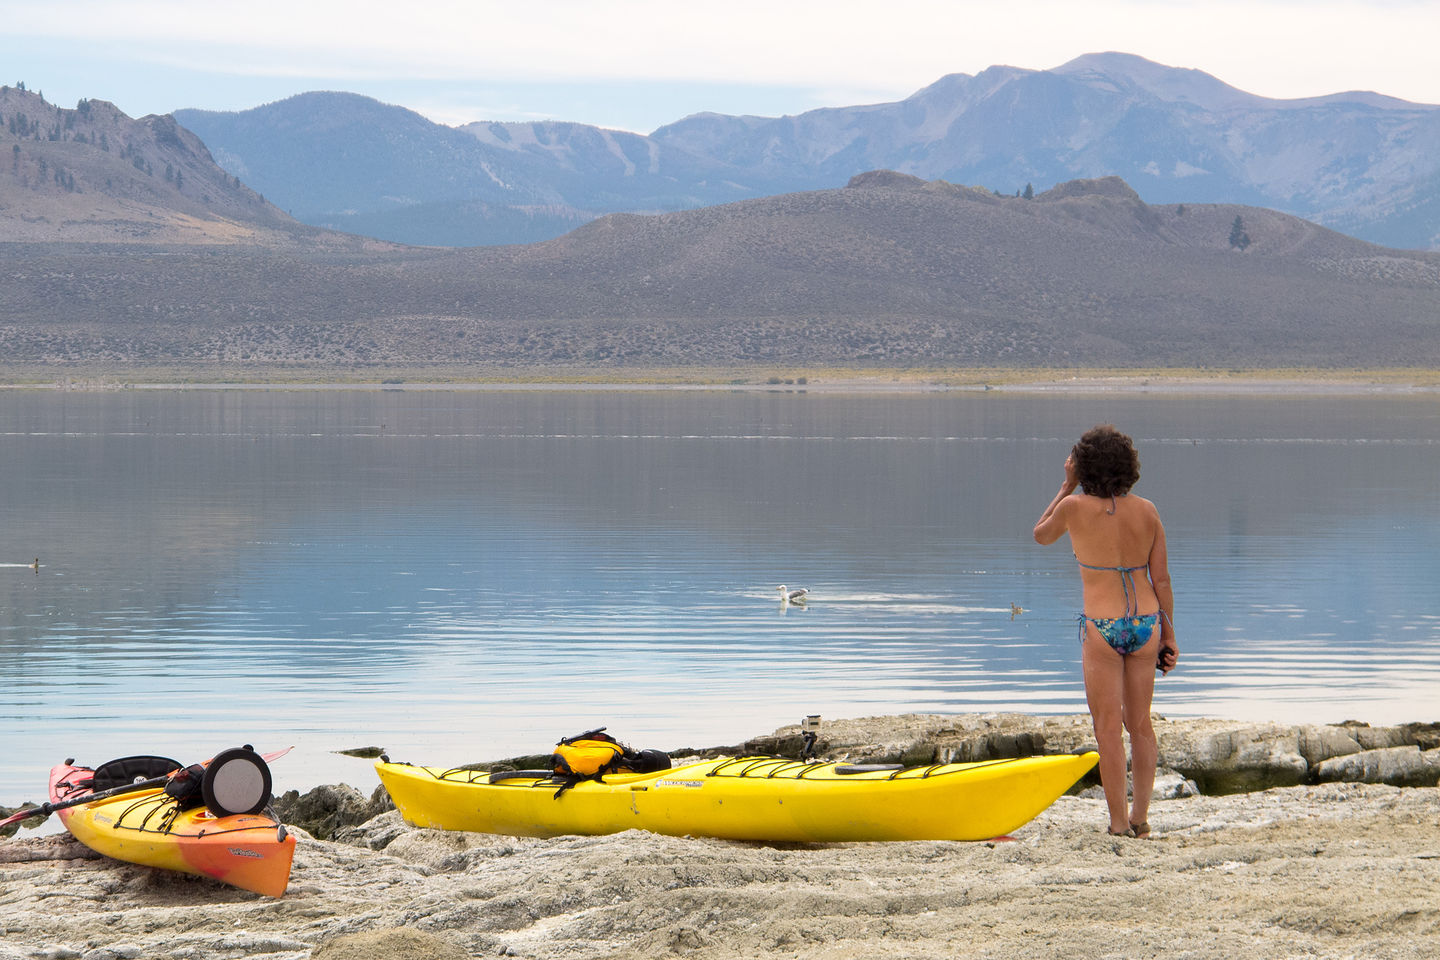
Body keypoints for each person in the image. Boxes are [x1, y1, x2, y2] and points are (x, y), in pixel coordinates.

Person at [1033, 424, 1177, 838]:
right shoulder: (1148, 510)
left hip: (1103, 627)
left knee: (1107, 729)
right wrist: (1169, 636)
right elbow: (1162, 579)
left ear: (1083, 466)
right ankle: (1141, 819)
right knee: (1141, 725)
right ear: (1128, 465)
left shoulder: (1073, 507)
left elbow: (1040, 536)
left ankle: (1118, 824)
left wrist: (1065, 485)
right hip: (1147, 624)